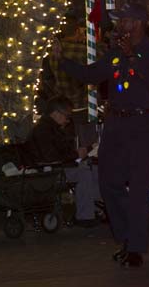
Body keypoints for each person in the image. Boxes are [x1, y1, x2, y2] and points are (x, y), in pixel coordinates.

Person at [61, 3, 149, 268]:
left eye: (124, 21)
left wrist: (132, 57)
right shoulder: (116, 52)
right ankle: (125, 237)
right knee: (108, 182)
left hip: (142, 124)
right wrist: (61, 61)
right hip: (117, 123)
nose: (119, 25)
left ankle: (136, 248)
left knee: (139, 186)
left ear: (137, 24)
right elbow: (91, 74)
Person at [25, 96, 99, 227]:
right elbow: (50, 157)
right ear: (55, 114)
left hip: (56, 168)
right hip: (50, 172)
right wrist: (76, 154)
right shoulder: (44, 131)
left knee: (94, 170)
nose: (67, 120)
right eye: (66, 116)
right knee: (84, 173)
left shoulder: (51, 129)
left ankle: (94, 210)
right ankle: (85, 216)